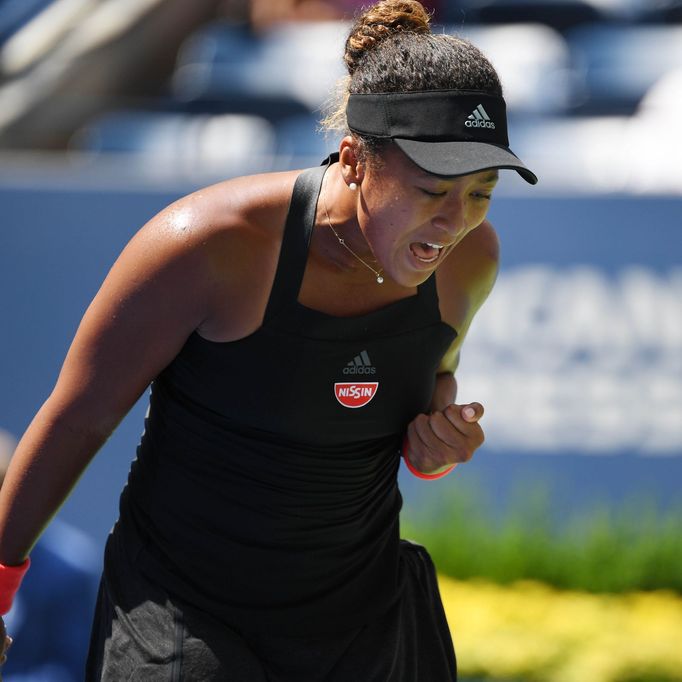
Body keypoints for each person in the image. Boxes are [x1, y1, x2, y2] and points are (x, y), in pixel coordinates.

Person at [0, 1, 537, 679]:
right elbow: (78, 417)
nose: (455, 221)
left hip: (363, 626)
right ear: (353, 160)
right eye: (432, 190)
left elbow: (432, 380)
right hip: (185, 616)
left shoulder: (470, 259)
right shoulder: (210, 245)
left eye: (481, 192)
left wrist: (437, 443)